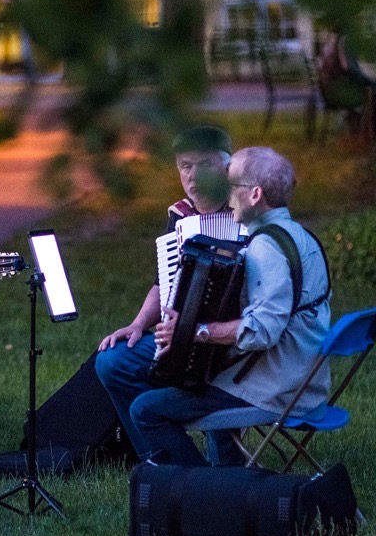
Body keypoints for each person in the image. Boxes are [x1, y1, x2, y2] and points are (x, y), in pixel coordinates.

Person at [129, 146, 331, 466]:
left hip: (275, 389)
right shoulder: (302, 236)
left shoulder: (266, 248)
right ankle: (229, 472)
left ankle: (206, 487)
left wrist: (194, 331)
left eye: (231, 184)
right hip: (305, 380)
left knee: (147, 409)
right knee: (206, 372)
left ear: (255, 194)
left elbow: (261, 331)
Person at [95, 125, 233, 460]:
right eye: (186, 166)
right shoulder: (180, 215)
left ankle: (225, 468)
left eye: (205, 164)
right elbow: (164, 282)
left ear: (227, 167)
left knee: (211, 370)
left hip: (231, 340)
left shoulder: (246, 212)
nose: (193, 175)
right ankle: (166, 462)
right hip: (181, 336)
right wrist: (137, 324)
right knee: (113, 362)